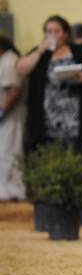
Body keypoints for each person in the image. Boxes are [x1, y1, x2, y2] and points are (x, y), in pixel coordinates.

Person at [16, 15, 82, 226]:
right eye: (48, 31)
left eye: (57, 31)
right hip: (46, 126)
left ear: (66, 33)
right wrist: (39, 50)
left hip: (77, 125)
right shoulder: (40, 54)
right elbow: (21, 70)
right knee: (47, 169)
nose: (52, 35)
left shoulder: (80, 52)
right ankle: (48, 215)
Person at [0, 37, 26, 201]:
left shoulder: (10, 61)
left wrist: (2, 111)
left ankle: (14, 193)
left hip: (12, 117)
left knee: (10, 153)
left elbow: (14, 89)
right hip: (6, 116)